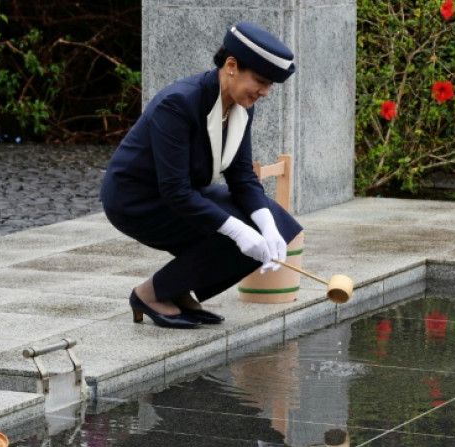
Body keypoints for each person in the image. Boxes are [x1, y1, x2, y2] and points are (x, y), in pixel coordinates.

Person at [100, 22, 303, 329]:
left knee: (276, 221)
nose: (265, 92)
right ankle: (150, 294)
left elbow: (242, 178)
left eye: (270, 85)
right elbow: (175, 191)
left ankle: (177, 291)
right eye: (261, 81)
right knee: (235, 229)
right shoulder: (179, 102)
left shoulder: (242, 107)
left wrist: (267, 227)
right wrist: (238, 230)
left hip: (181, 195)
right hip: (136, 201)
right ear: (231, 66)